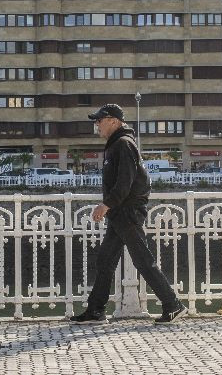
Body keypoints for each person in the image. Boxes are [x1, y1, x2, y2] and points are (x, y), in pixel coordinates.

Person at [70, 103, 185, 324]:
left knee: (142, 260)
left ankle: (172, 304)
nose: (97, 125)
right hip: (119, 213)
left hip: (127, 212)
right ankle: (95, 310)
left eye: (99, 120)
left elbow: (125, 182)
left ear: (113, 121)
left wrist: (105, 205)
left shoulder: (123, 144)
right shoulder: (116, 144)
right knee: (105, 261)